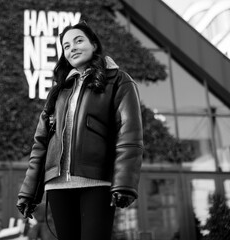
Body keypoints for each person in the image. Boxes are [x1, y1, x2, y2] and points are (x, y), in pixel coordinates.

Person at [17, 21, 143, 240]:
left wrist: (124, 182)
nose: (72, 48)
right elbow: (41, 143)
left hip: (96, 183)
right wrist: (29, 191)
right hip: (57, 187)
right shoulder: (59, 91)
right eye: (66, 46)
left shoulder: (119, 81)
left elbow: (129, 134)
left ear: (94, 44)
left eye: (78, 40)